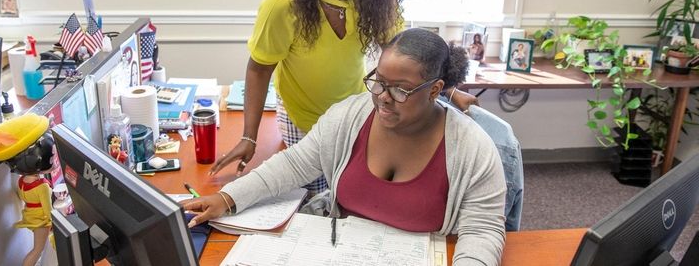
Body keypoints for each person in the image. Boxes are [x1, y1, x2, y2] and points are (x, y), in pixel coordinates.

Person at [210, 0, 477, 194]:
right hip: (303, 115)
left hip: (353, 109)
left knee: (352, 190)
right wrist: (249, 137)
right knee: (315, 195)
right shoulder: (284, 3)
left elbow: (406, 56)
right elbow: (259, 69)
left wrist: (448, 91)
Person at [184, 28, 506, 265]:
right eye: (378, 81)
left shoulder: (472, 149)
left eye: (401, 90)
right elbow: (294, 164)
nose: (382, 97)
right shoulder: (350, 116)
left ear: (435, 89)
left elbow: (483, 232)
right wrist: (228, 197)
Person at [0, 114, 55, 266]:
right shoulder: (42, 186)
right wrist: (55, 223)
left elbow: (22, 195)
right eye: (51, 158)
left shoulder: (22, 181)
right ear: (36, 161)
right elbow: (49, 209)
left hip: (29, 215)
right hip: (40, 221)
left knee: (38, 249)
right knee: (38, 250)